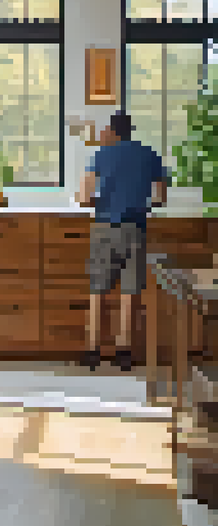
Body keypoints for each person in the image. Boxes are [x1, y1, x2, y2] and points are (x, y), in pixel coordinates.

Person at [75, 110, 168, 372]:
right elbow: (160, 198)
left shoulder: (101, 155)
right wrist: (140, 204)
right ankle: (123, 352)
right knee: (129, 290)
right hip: (135, 228)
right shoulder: (150, 155)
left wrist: (101, 202)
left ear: (112, 131)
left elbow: (83, 197)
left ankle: (93, 351)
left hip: (105, 227)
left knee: (98, 290)